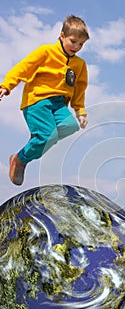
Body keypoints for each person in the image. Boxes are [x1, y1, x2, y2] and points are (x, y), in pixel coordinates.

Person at [0, 15, 89, 185]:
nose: (77, 47)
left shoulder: (80, 64)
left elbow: (79, 88)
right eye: (73, 41)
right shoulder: (46, 52)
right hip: (37, 101)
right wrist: (6, 85)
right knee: (48, 135)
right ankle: (19, 160)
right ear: (62, 36)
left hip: (59, 104)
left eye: (81, 44)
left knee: (70, 126)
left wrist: (80, 111)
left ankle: (38, 141)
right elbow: (23, 67)